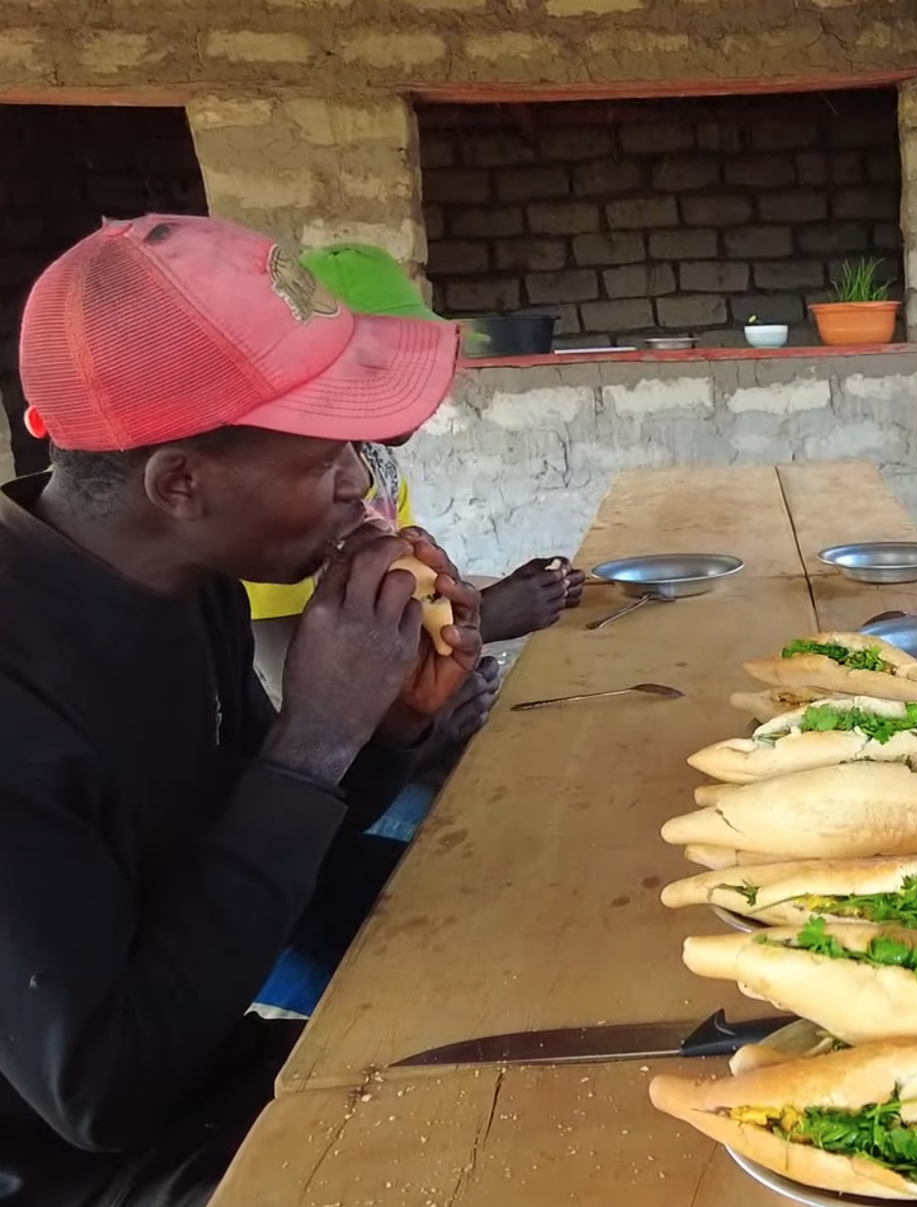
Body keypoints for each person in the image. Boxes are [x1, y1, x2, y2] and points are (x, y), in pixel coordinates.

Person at [0, 215, 476, 1207]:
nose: (363, 493)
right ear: (180, 480)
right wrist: (313, 739)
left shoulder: (189, 579)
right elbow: (101, 1095)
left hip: (202, 1057)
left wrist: (382, 723)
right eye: (320, 462)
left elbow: (258, 870)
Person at [244, 243, 584, 705]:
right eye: (382, 366)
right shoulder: (281, 499)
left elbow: (412, 592)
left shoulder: (378, 469)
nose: (420, 386)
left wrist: (492, 597)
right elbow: (284, 684)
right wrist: (486, 620)